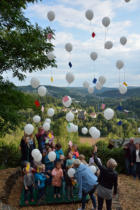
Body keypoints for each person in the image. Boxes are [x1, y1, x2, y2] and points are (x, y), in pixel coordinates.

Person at [93, 145, 118, 210]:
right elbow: (115, 184)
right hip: (108, 191)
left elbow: (96, 161)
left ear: (108, 164)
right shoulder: (115, 174)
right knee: (109, 207)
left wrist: (95, 151)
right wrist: (115, 192)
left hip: (101, 189)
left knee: (100, 206)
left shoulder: (104, 169)